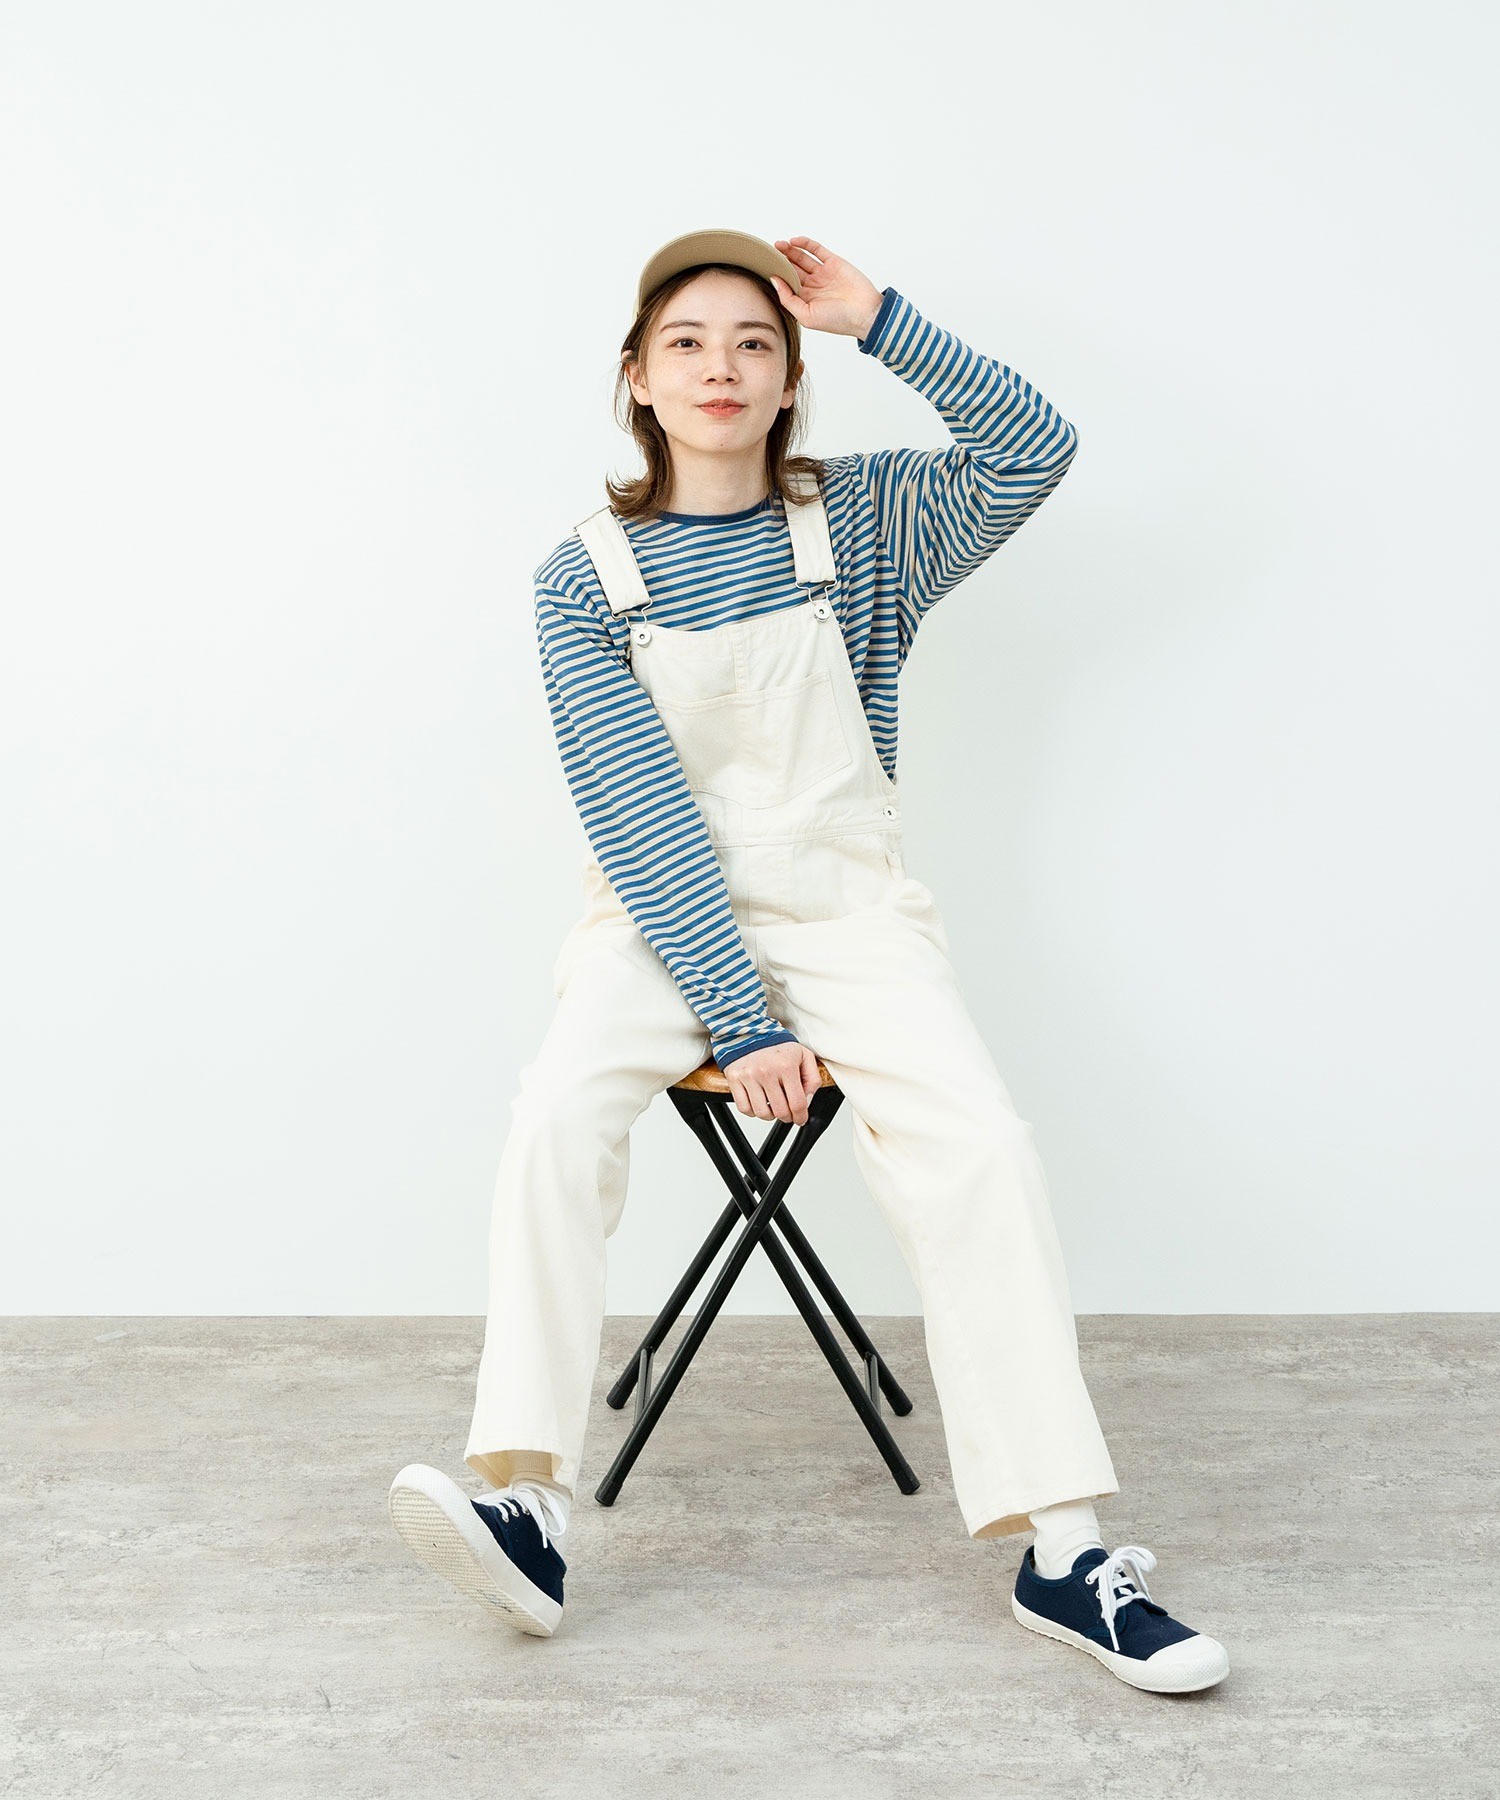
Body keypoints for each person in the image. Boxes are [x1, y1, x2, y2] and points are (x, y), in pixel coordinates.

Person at [388, 230, 1229, 1694]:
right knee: (556, 1117)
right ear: (637, 380)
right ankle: (528, 1506)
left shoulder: (870, 521)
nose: (721, 366)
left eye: (755, 344)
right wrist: (738, 1014)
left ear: (790, 382)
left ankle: (1065, 1551)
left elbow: (1034, 448)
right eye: (688, 343)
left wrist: (880, 317)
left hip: (848, 910)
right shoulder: (582, 575)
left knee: (981, 1146)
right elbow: (636, 807)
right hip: (660, 915)